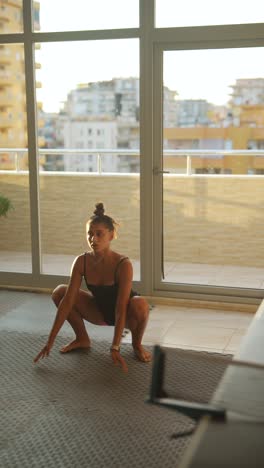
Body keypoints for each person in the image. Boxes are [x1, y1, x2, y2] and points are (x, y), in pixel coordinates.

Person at [34, 202, 151, 372]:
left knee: (140, 303)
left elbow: (120, 307)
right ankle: (82, 338)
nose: (93, 239)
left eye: (99, 234)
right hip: (99, 311)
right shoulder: (81, 261)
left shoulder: (123, 264)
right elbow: (67, 302)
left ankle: (136, 344)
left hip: (127, 314)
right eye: (89, 234)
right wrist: (50, 341)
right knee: (60, 292)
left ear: (111, 236)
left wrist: (115, 346)